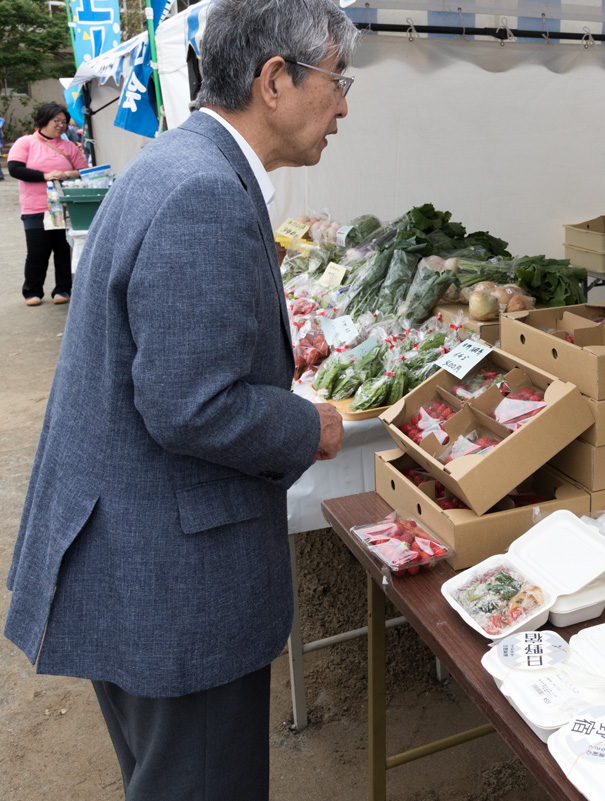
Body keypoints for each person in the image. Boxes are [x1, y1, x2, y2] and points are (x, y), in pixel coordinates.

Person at [4, 0, 355, 798]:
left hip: (136, 553)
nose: (343, 105)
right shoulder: (205, 192)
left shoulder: (176, 163)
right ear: (275, 80)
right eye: (338, 81)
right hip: (173, 581)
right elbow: (191, 404)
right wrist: (310, 424)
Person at [7, 102, 89, 305]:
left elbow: (84, 171)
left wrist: (69, 174)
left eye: (64, 122)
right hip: (35, 207)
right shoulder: (25, 142)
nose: (61, 125)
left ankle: (62, 289)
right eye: (56, 121)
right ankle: (32, 291)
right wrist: (45, 175)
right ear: (44, 120)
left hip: (64, 206)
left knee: (62, 250)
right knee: (37, 251)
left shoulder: (69, 146)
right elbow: (15, 169)